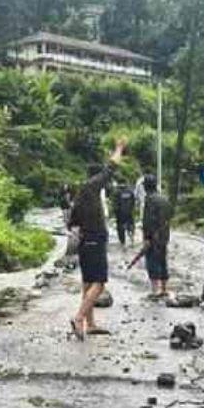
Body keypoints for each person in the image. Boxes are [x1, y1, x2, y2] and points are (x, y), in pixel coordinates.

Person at [67, 138, 126, 339]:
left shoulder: (80, 193)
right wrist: (119, 148)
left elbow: (71, 222)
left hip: (85, 242)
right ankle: (79, 318)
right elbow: (111, 168)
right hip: (94, 240)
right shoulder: (92, 188)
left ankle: (90, 324)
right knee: (99, 283)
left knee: (87, 283)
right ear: (96, 178)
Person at [140, 173, 172, 297]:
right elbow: (169, 216)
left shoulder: (149, 200)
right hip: (164, 236)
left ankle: (155, 290)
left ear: (145, 187)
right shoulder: (163, 198)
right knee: (163, 261)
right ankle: (164, 289)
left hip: (153, 237)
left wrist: (147, 237)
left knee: (152, 262)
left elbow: (148, 220)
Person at [113, 181, 137, 247]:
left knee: (121, 228)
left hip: (120, 214)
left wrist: (115, 212)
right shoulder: (130, 191)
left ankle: (123, 243)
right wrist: (132, 209)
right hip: (129, 213)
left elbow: (115, 204)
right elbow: (133, 201)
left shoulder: (117, 192)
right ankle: (132, 239)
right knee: (131, 226)